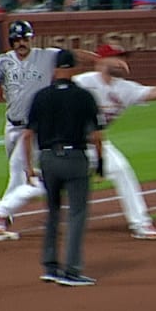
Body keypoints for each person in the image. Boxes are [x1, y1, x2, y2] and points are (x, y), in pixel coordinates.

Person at [0, 21, 99, 241]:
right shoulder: (4, 61)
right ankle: (7, 207)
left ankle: (0, 216)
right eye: (17, 39)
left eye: (24, 38)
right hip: (12, 126)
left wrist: (100, 61)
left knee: (19, 172)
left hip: (36, 127)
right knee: (17, 173)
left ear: (31, 39)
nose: (21, 43)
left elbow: (72, 54)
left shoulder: (46, 56)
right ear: (11, 41)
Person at [72, 43, 156, 240]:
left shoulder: (125, 88)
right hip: (70, 144)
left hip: (99, 144)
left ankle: (142, 224)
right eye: (118, 57)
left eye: (124, 57)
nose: (123, 61)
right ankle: (2, 214)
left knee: (122, 171)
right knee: (46, 183)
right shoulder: (82, 82)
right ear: (102, 61)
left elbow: (155, 93)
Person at [23, 49, 104, 286]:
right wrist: (100, 166)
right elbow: (98, 136)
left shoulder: (41, 97)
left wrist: (28, 167)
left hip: (48, 160)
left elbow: (27, 135)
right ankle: (72, 270)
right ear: (74, 69)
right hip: (75, 159)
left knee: (53, 212)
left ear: (55, 69)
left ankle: (50, 266)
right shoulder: (85, 96)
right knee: (77, 214)